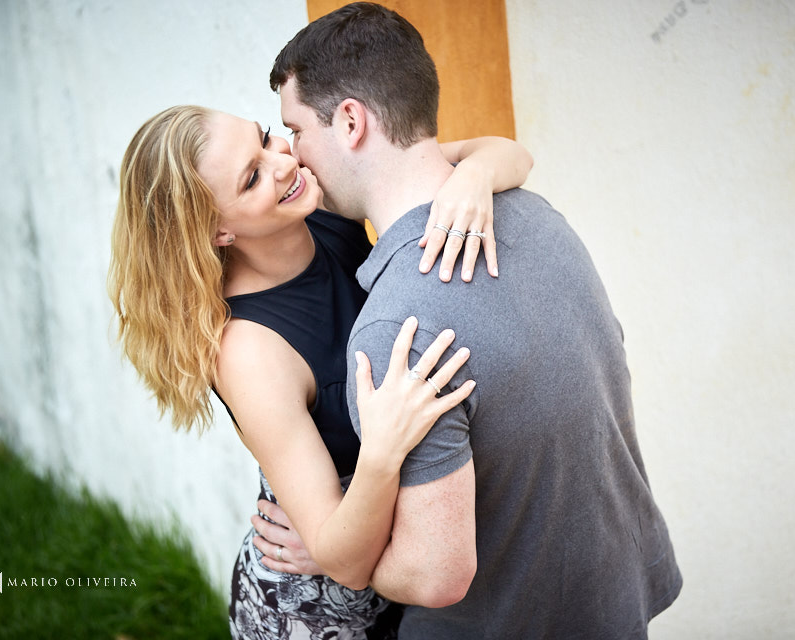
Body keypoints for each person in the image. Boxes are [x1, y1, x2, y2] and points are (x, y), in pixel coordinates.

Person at [263, 3, 683, 638]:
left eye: (295, 129)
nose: (294, 154)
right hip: (614, 604)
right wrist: (483, 166)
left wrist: (331, 558)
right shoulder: (542, 220)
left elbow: (435, 576)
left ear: (350, 121)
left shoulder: (396, 327)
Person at [108, 103, 533, 639]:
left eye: (265, 138)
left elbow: (512, 153)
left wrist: (471, 180)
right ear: (217, 230)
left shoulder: (322, 200)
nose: (282, 161)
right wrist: (382, 453)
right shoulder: (250, 352)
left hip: (401, 584)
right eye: (253, 177)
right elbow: (342, 558)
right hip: (315, 617)